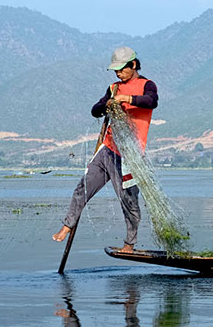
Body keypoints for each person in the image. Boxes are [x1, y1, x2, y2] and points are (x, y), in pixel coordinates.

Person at [52, 46, 158, 253]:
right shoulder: (114, 88)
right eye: (116, 70)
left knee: (129, 201)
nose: (118, 73)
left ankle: (129, 244)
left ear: (133, 65)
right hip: (107, 149)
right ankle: (67, 225)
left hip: (130, 156)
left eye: (122, 69)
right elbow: (95, 111)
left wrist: (126, 99)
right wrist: (107, 104)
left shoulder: (147, 85)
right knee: (82, 188)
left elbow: (151, 101)